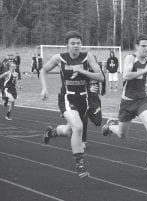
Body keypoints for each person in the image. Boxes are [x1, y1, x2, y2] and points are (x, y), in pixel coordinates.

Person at [40, 30, 104, 178]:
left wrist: (82, 71)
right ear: (67, 45)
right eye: (72, 43)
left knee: (70, 131)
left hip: (84, 99)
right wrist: (44, 88)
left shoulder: (87, 57)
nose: (76, 46)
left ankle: (51, 132)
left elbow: (100, 77)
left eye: (78, 43)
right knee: (78, 127)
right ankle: (80, 165)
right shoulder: (59, 58)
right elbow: (43, 71)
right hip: (67, 98)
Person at [101, 35, 147, 169]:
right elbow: (126, 75)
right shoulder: (130, 58)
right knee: (122, 134)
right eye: (143, 46)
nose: (146, 48)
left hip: (142, 100)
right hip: (127, 103)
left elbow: (141, 76)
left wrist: (146, 85)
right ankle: (109, 127)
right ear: (136, 46)